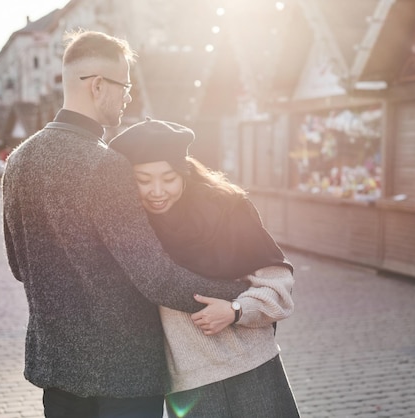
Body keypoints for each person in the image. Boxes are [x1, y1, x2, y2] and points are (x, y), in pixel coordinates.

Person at [0, 30, 249, 418]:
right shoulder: (105, 166)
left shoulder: (18, 161)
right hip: (123, 375)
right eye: (124, 85)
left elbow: (19, 267)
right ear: (98, 86)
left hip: (56, 366)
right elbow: (154, 276)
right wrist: (240, 293)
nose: (128, 96)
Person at [109, 118, 301, 418]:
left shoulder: (228, 209)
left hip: (254, 367)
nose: (156, 191)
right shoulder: (131, 229)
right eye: (143, 180)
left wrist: (236, 309)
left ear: (184, 173)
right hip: (189, 384)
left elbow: (278, 287)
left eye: (169, 178)